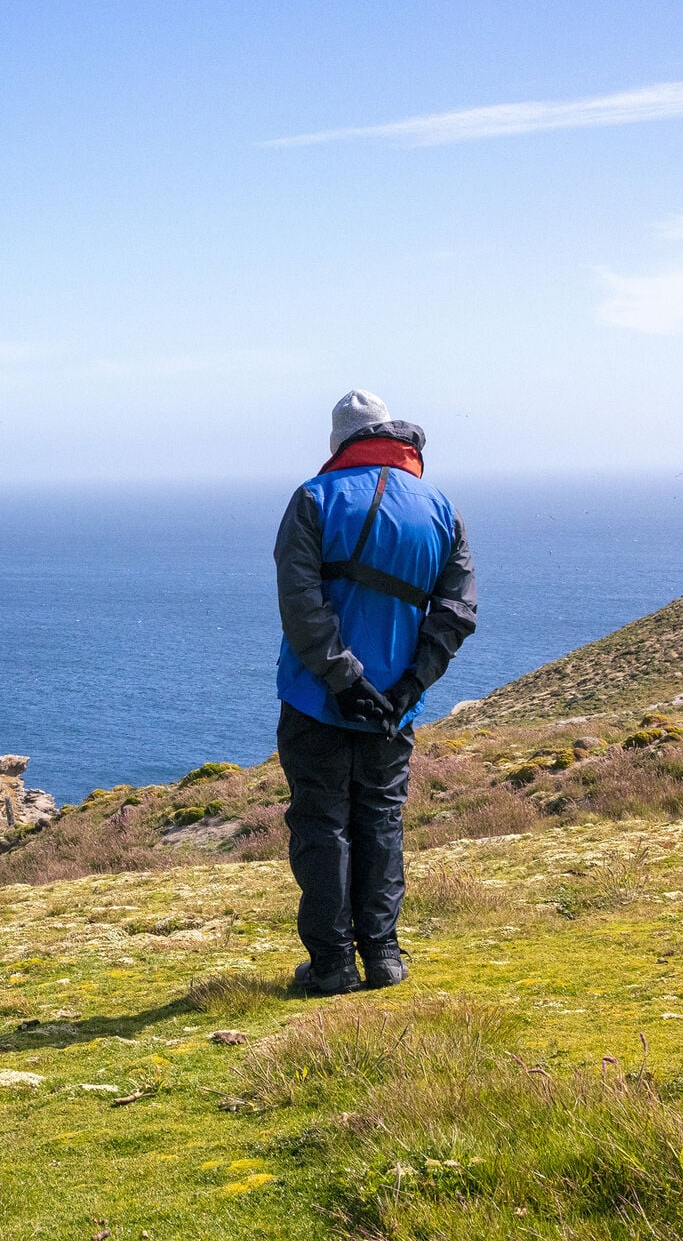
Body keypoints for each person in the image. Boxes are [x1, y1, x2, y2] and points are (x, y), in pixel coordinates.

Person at [273, 390, 477, 995]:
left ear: (339, 443)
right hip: (396, 705)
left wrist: (341, 677)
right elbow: (457, 611)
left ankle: (333, 966)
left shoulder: (313, 498)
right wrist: (411, 683)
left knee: (323, 824)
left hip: (317, 697)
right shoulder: (442, 508)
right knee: (381, 822)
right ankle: (384, 957)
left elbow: (301, 602)